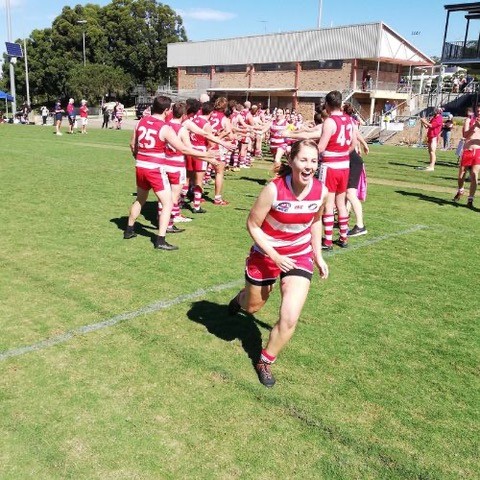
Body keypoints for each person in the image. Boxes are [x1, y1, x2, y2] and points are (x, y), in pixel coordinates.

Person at [228, 139, 329, 387]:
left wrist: (318, 254)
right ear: (291, 161)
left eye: (313, 161)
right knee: (252, 308)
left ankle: (265, 360)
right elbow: (252, 224)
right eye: (303, 160)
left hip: (299, 255)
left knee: (290, 317)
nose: (309, 166)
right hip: (266, 255)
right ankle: (240, 299)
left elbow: (316, 221)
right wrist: (274, 256)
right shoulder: (274, 189)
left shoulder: (322, 191)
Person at [124, 95, 216, 250]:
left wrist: (137, 156)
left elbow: (132, 143)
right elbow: (183, 149)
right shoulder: (164, 127)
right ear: (167, 110)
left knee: (140, 199)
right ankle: (160, 239)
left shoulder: (141, 121)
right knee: (167, 203)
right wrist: (206, 155)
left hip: (140, 166)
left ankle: (129, 230)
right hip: (155, 168)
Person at [453, 106, 480, 207]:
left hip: (478, 151)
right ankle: (461, 190)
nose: (479, 112)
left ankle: (470, 200)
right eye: (477, 111)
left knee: (474, 174)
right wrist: (473, 127)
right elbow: (465, 135)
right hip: (468, 150)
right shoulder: (469, 120)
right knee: (461, 174)